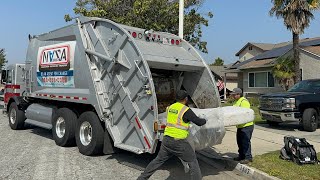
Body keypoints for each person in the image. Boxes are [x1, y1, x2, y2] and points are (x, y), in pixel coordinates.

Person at [137, 90, 207, 180]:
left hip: (166, 141)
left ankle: (142, 178)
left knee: (158, 160)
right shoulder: (185, 110)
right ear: (186, 99)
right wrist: (205, 119)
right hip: (179, 142)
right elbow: (199, 122)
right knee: (193, 162)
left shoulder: (170, 107)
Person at [230, 88, 254, 164]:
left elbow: (245, 114)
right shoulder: (236, 102)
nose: (233, 96)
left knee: (245, 142)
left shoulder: (244, 102)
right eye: (233, 95)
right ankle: (241, 156)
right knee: (239, 141)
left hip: (246, 126)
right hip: (240, 126)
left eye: (234, 95)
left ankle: (248, 157)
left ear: (238, 94)